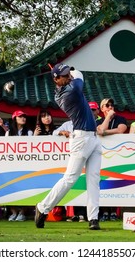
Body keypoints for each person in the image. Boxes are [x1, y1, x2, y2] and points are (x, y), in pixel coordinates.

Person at [35, 63, 102, 230]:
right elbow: (79, 74)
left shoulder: (67, 86)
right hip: (81, 139)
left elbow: (74, 75)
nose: (68, 76)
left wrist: (67, 70)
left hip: (94, 138)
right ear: (56, 79)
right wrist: (73, 69)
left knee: (94, 180)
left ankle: (93, 218)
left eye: (68, 73)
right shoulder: (71, 91)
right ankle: (42, 207)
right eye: (64, 75)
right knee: (70, 178)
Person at [96, 98, 128, 221]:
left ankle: (114, 212)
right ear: (102, 108)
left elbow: (121, 129)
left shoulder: (120, 119)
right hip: (102, 154)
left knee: (116, 181)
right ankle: (104, 211)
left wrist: (105, 132)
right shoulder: (99, 120)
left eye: (112, 105)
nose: (110, 107)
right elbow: (99, 130)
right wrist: (108, 117)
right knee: (104, 181)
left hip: (117, 154)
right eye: (107, 105)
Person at [6, 110, 33, 221]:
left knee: (26, 188)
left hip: (26, 164)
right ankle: (13, 212)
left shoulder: (29, 132)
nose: (23, 118)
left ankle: (22, 212)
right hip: (12, 165)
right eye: (20, 116)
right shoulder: (8, 133)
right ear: (14, 119)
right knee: (9, 188)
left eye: (24, 116)